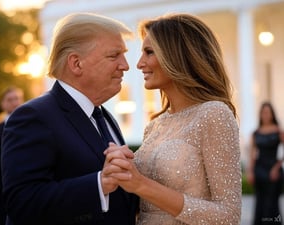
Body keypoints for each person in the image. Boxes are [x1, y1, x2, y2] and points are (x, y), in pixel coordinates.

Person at [103, 13, 242, 225]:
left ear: (177, 56)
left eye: (149, 52)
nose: (139, 64)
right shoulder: (155, 125)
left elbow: (228, 216)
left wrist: (141, 184)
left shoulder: (214, 114)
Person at [1, 12, 137, 225]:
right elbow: (22, 203)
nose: (125, 65)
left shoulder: (104, 116)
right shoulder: (33, 116)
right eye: (114, 55)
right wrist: (99, 184)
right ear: (76, 64)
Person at [0, 86, 24, 225]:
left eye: (17, 98)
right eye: (10, 99)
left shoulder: (34, 126)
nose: (14, 102)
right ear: (2, 104)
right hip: (2, 193)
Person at [246, 102, 284, 225]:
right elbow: (252, 154)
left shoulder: (279, 131)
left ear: (272, 114)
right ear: (260, 114)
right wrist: (250, 172)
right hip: (259, 170)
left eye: (268, 112)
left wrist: (277, 166)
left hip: (274, 171)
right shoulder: (255, 133)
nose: (265, 115)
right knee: (260, 203)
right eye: (263, 112)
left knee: (271, 203)